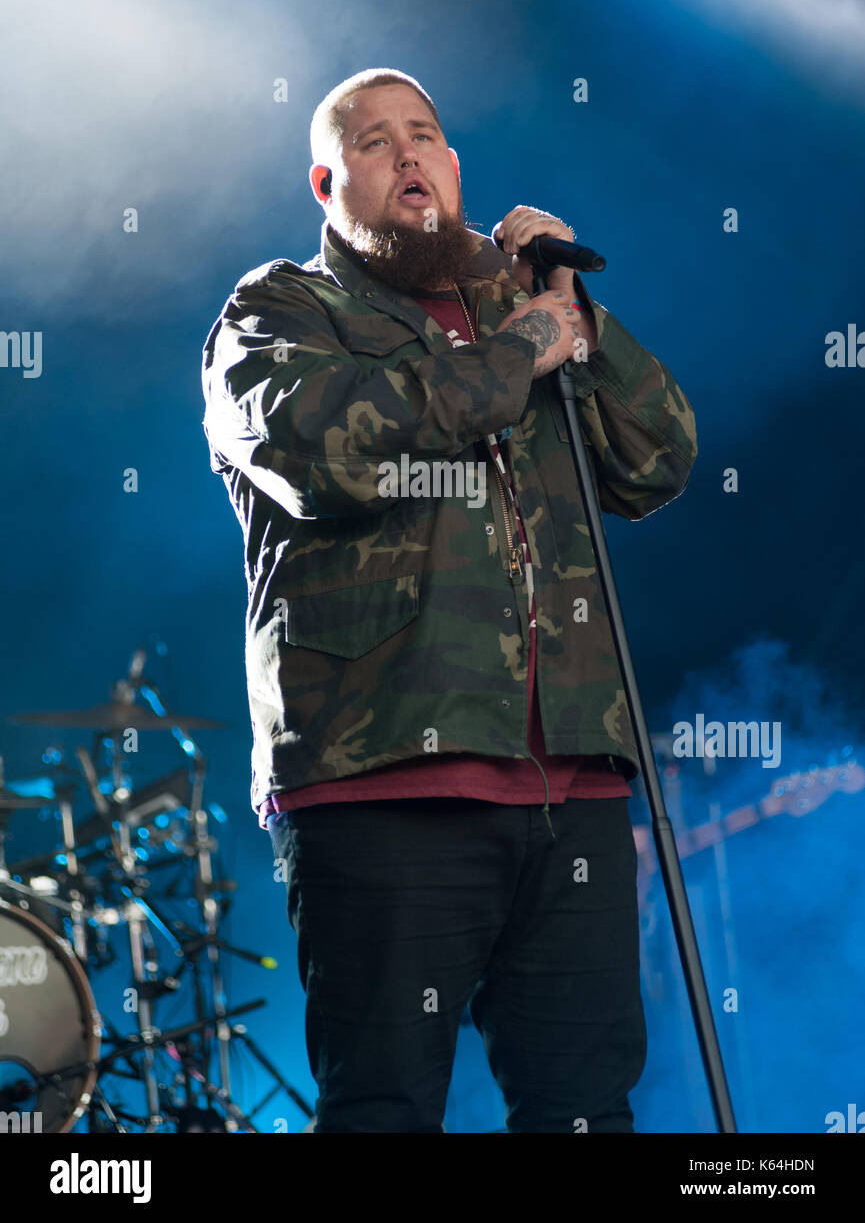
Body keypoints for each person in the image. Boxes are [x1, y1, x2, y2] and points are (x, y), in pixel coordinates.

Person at [201, 67, 697, 1133]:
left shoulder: (525, 310)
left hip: (572, 776)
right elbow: (330, 449)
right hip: (382, 782)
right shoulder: (280, 309)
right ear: (328, 184)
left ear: (457, 169)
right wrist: (518, 349)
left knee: (585, 1109)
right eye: (375, 143)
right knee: (385, 1108)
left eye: (424, 134)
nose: (408, 155)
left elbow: (657, 460)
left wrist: (575, 320)